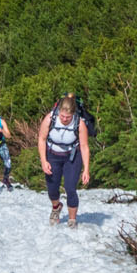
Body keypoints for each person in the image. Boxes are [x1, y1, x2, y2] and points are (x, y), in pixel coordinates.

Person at [37, 94, 91, 227]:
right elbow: (41, 139)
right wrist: (44, 161)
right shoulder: (50, 118)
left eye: (68, 117)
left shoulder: (79, 123)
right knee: (52, 188)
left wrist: (86, 169)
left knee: (70, 188)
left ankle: (72, 220)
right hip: (52, 155)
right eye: (62, 116)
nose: (65, 119)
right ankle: (56, 207)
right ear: (59, 111)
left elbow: (84, 146)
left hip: (72, 157)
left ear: (73, 113)